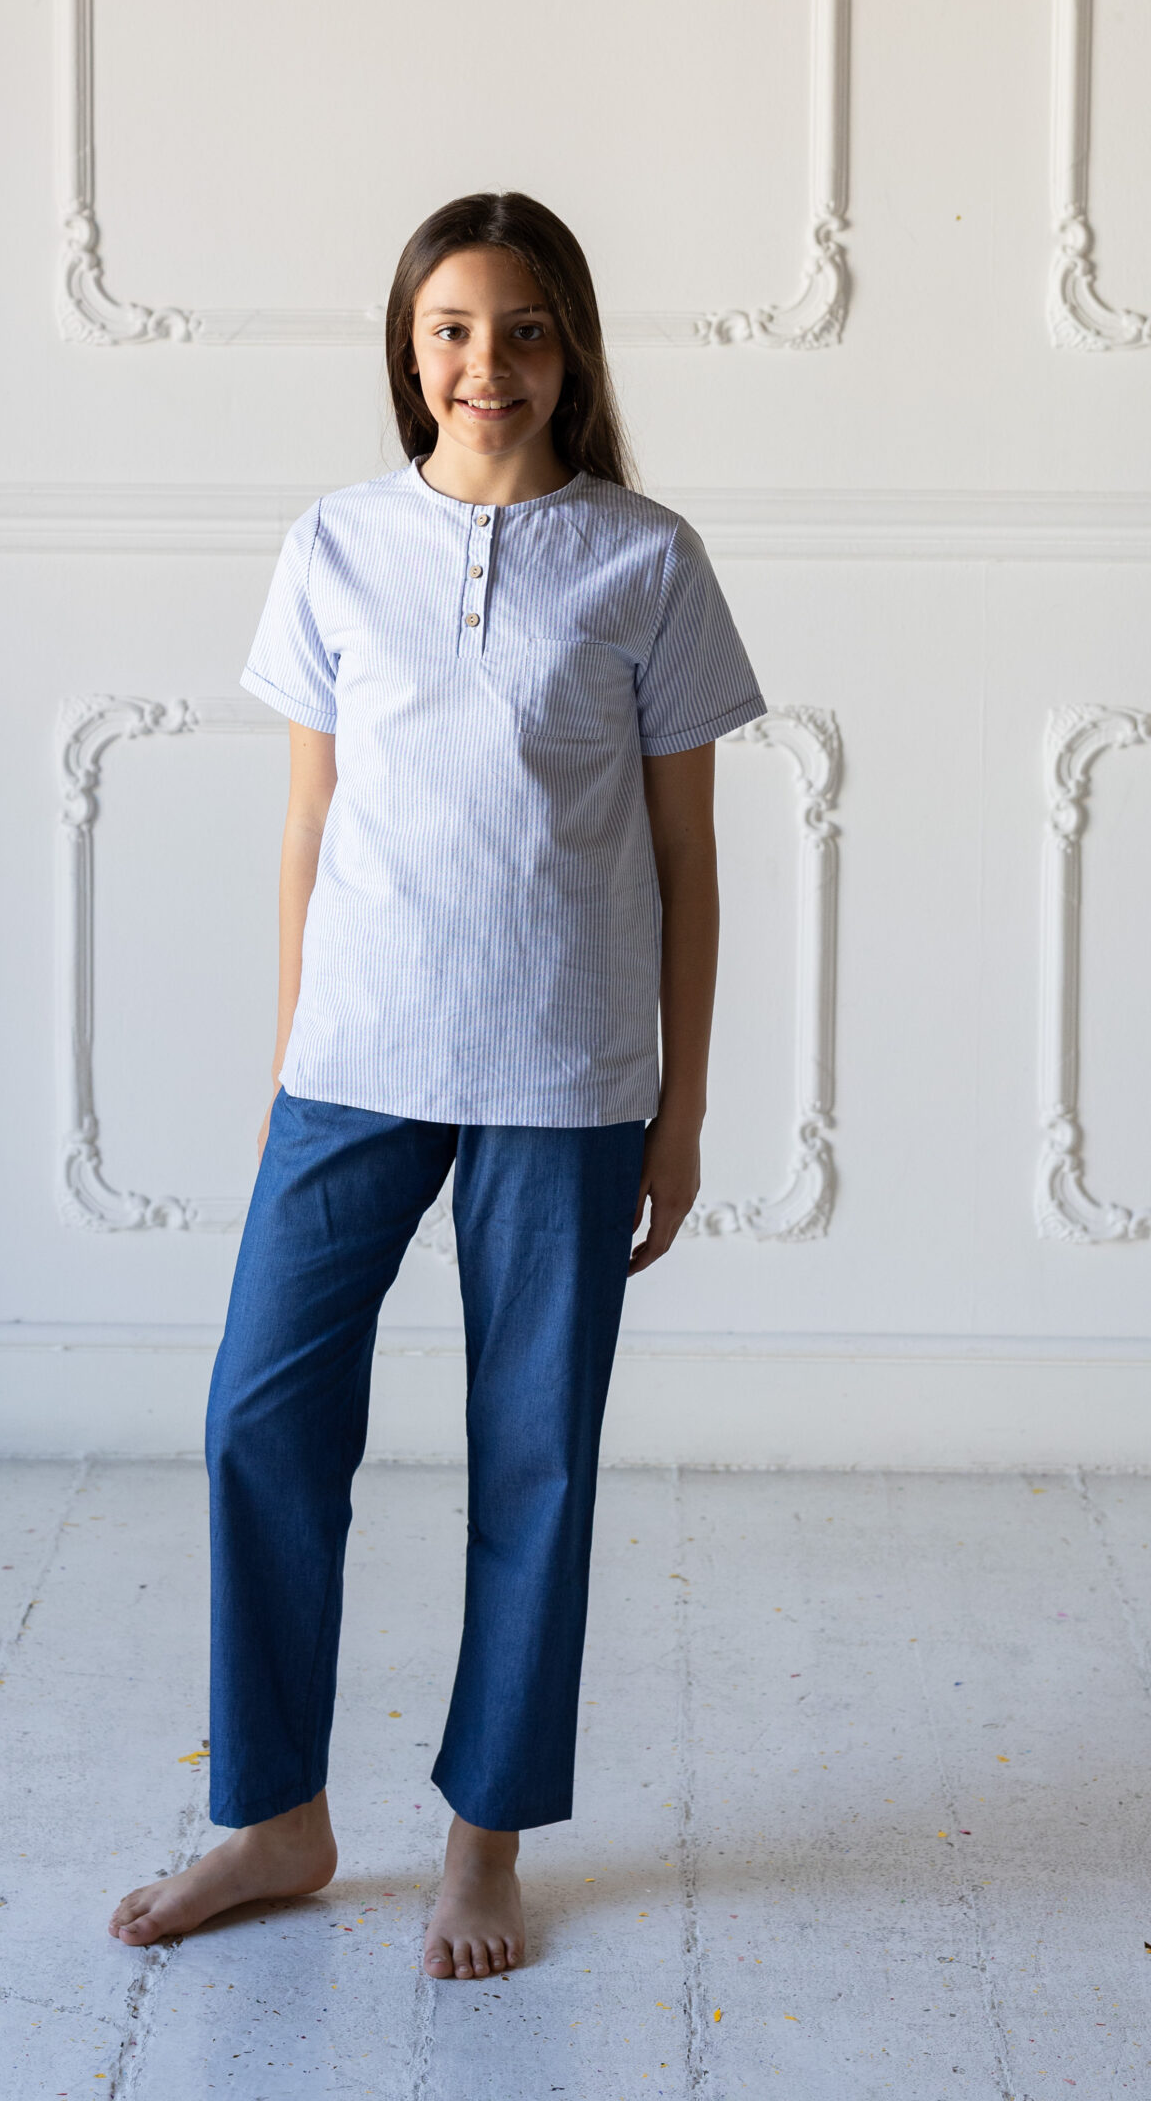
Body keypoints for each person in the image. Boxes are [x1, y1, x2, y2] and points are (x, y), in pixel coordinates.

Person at [109, 191, 764, 1980]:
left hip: (565, 1071)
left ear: (574, 351)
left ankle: (487, 1837)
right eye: (454, 329)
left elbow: (688, 861)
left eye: (526, 329)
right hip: (356, 1059)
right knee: (260, 1415)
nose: (490, 365)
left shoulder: (646, 560)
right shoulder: (333, 543)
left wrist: (682, 1111)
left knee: (534, 1457)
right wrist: (286, 1060)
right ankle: (278, 1816)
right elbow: (308, 824)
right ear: (409, 350)